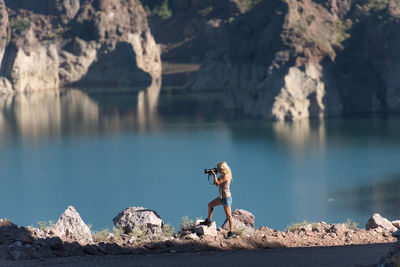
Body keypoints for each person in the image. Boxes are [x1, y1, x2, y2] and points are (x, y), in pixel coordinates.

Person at [200, 161, 236, 239]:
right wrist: (213, 175)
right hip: (221, 197)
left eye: (219, 168)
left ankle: (231, 232)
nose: (218, 170)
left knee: (229, 216)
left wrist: (214, 175)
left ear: (222, 168)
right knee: (210, 205)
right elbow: (215, 183)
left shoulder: (226, 176)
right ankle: (208, 221)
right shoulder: (222, 175)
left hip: (226, 198)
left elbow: (217, 183)